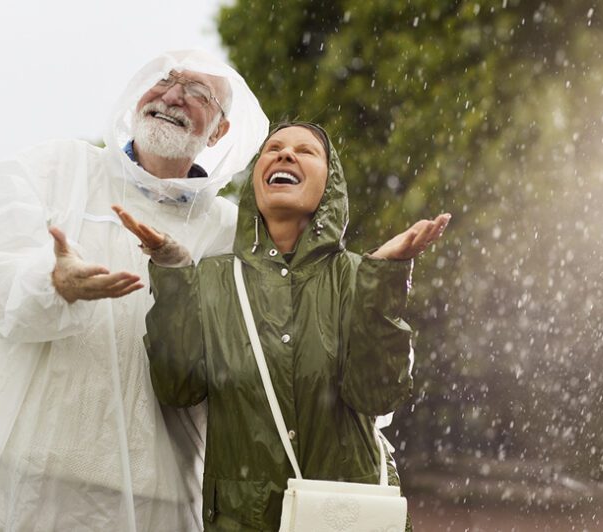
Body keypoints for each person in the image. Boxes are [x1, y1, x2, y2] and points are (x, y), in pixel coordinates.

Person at [0, 51, 268, 532]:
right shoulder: (57, 170)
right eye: (165, 80)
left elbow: (246, 359)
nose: (173, 96)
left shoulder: (230, 233)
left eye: (198, 93)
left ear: (218, 132)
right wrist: (50, 282)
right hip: (24, 485)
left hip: (156, 498)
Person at [115, 122, 450, 531]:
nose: (285, 154)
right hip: (243, 521)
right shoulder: (210, 280)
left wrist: (383, 279)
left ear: (331, 185)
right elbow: (177, 388)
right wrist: (172, 277)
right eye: (272, 148)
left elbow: (378, 394)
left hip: (349, 517)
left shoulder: (360, 278)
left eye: (306, 151)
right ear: (257, 178)